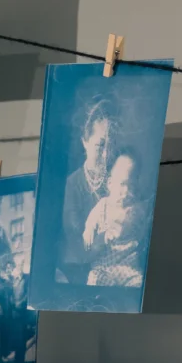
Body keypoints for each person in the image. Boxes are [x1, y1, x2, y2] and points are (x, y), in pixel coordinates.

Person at [59, 99, 114, 283]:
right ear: (85, 142)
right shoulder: (73, 184)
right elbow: (76, 235)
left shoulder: (116, 179)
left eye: (108, 145)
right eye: (100, 145)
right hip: (79, 268)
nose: (105, 154)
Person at [83, 152, 148, 288]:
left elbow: (145, 225)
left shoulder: (135, 209)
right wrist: (88, 230)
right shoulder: (103, 204)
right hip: (104, 266)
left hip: (128, 267)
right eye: (123, 184)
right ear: (110, 184)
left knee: (139, 283)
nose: (126, 191)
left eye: (132, 186)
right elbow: (91, 220)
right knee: (95, 279)